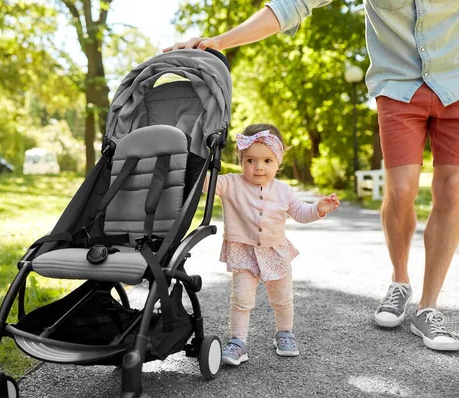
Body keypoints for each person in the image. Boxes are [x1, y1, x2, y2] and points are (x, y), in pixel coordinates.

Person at [165, 0, 459, 352]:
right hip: (398, 88)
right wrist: (221, 41)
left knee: (454, 190)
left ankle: (428, 306)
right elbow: (293, 4)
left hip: (455, 83)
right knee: (400, 189)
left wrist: (315, 208)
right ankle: (400, 282)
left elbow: (299, 210)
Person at [202, 123, 339, 364]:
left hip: (275, 252)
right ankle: (238, 342)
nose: (258, 168)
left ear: (278, 162)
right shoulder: (230, 183)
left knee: (282, 298)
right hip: (243, 251)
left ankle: (284, 333)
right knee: (241, 299)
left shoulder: (283, 190)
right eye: (250, 160)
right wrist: (199, 161)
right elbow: (206, 184)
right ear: (241, 159)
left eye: (267, 161)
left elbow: (300, 212)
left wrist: (318, 209)